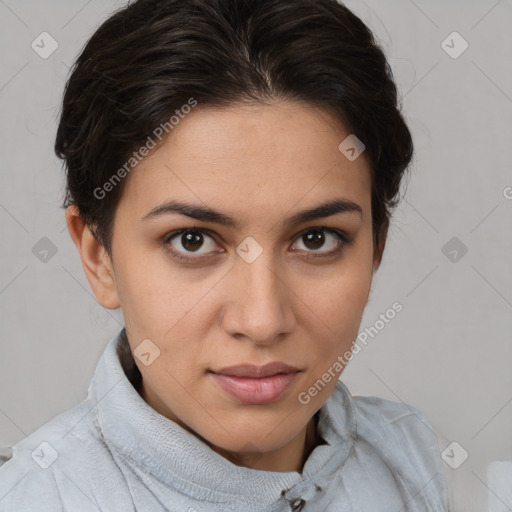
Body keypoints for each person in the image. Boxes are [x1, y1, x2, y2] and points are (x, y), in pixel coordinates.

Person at [0, 0, 451, 510]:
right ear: (98, 256)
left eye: (316, 238)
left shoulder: (409, 457)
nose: (262, 321)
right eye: (191, 240)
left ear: (376, 248)